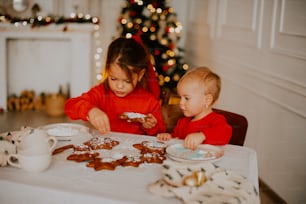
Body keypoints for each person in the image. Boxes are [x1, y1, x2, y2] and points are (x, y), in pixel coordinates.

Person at [64, 37, 166, 135]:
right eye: (113, 78)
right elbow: (69, 107)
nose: (119, 86)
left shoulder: (149, 102)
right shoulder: (101, 93)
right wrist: (90, 111)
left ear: (140, 75)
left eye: (127, 81)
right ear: (108, 71)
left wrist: (151, 126)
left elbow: (160, 132)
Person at [157, 67, 232, 149]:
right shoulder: (183, 122)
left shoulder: (216, 120)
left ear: (207, 100)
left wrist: (202, 136)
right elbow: (177, 139)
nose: (181, 102)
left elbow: (225, 133)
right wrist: (169, 136)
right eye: (180, 98)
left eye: (186, 98)